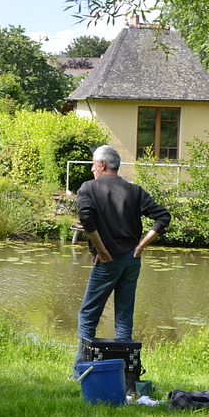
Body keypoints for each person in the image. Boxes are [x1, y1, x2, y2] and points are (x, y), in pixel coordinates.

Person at [75, 144, 171, 343]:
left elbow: (86, 220)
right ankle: (125, 370)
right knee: (124, 317)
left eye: (94, 164)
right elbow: (163, 217)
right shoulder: (134, 191)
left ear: (102, 165)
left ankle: (81, 370)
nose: (92, 169)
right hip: (131, 260)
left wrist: (101, 250)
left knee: (88, 315)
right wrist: (140, 246)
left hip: (107, 260)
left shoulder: (88, 188)